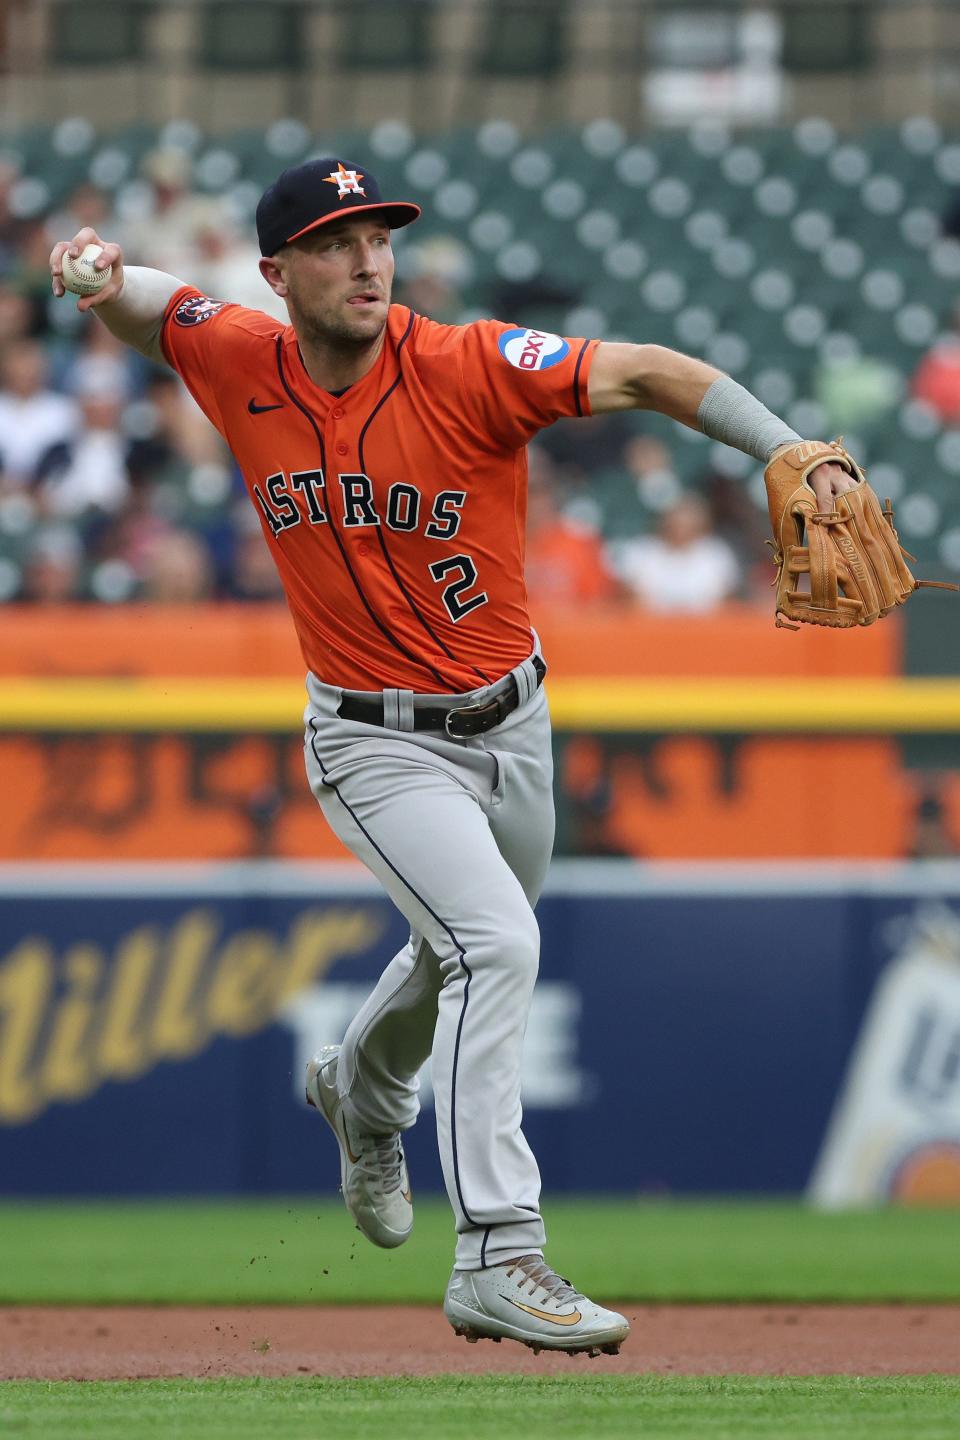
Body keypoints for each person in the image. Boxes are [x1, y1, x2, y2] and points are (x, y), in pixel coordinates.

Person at [50, 156, 855, 1357]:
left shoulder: (467, 362)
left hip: (515, 723)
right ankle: (500, 1256)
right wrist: (97, 276)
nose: (367, 258)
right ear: (278, 273)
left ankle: (357, 1091)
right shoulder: (238, 357)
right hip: (372, 740)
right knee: (495, 942)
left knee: (458, 955)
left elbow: (643, 370)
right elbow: (157, 303)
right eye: (333, 242)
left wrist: (790, 445)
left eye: (377, 235)